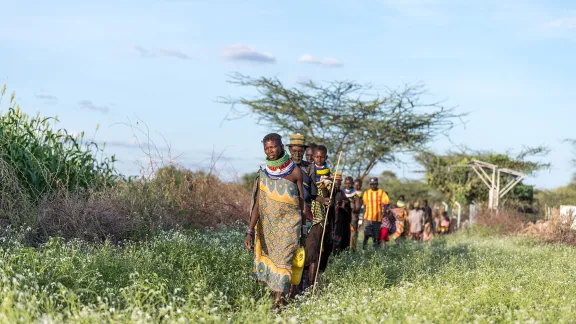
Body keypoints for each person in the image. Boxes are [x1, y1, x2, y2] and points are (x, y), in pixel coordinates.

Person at [244, 133, 305, 307]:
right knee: (272, 264)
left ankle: (278, 302)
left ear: (282, 146)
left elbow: (301, 202)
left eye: (273, 147)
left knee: (284, 263)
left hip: (290, 226)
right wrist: (250, 230)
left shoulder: (294, 172)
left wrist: (303, 227)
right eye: (266, 148)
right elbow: (258, 205)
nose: (270, 151)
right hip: (268, 228)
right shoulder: (263, 174)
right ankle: (277, 298)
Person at [362, 177, 390, 250]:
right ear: (369, 185)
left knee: (376, 235)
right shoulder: (366, 193)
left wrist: (384, 212)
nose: (373, 186)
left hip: (378, 217)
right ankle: (364, 247)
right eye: (371, 184)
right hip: (367, 217)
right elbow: (365, 205)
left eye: (374, 184)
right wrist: (363, 216)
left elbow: (386, 203)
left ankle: (375, 249)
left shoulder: (382, 192)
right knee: (366, 233)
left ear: (377, 184)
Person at [332, 173, 353, 253]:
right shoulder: (329, 192)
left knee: (339, 238)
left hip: (339, 221)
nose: (337, 185)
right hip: (331, 220)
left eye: (339, 183)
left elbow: (346, 204)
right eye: (336, 183)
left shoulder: (341, 193)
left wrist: (344, 206)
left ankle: (338, 253)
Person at [350, 179, 363, 250]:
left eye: (359, 185)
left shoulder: (360, 194)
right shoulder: (351, 192)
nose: (357, 186)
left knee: (354, 232)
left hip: (356, 214)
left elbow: (360, 205)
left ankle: (353, 248)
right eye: (355, 185)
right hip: (351, 214)